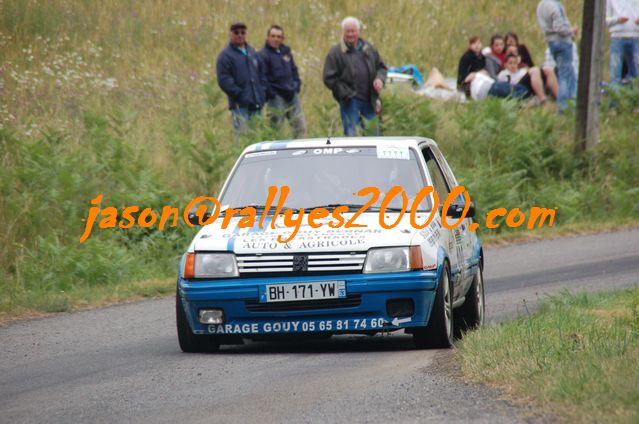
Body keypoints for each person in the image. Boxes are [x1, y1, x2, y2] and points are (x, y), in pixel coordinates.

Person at [323, 17, 387, 137]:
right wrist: (344, 93)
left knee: (375, 138)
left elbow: (382, 68)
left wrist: (379, 79)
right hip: (350, 103)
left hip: (370, 101)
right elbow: (328, 78)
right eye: (348, 31)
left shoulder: (369, 49)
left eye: (353, 31)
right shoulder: (336, 52)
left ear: (358, 31)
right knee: (352, 139)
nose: (350, 34)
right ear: (343, 32)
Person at [216, 22, 267, 140]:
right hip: (240, 106)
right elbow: (224, 79)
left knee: (257, 138)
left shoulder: (252, 52)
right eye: (236, 32)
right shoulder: (226, 55)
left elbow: (262, 74)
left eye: (242, 32)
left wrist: (262, 92)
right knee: (243, 138)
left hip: (256, 104)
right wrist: (239, 93)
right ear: (230, 34)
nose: (240, 35)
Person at [258, 25, 307, 138]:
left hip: (291, 94)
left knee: (300, 127)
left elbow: (294, 70)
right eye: (273, 36)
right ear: (268, 37)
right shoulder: (263, 55)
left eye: (279, 36)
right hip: (276, 96)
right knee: (276, 129)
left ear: (282, 38)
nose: (276, 39)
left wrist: (296, 85)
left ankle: (299, 152)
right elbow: (262, 77)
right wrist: (271, 93)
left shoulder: (286, 52)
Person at [537, 0, 579, 112]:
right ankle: (564, 106)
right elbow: (559, 28)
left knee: (564, 73)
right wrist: (572, 31)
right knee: (565, 75)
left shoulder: (541, 5)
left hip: (551, 42)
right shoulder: (554, 5)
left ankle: (571, 103)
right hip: (562, 42)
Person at [606, 0, 639, 86]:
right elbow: (606, 20)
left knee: (636, 75)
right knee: (615, 74)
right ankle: (615, 97)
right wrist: (617, 20)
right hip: (617, 36)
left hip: (636, 36)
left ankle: (634, 98)